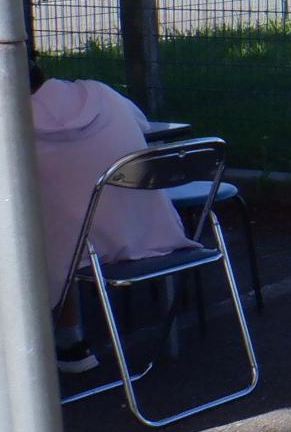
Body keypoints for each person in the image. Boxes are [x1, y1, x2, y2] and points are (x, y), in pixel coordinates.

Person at [29, 61, 192, 373]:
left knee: (44, 222)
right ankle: (68, 338)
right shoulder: (101, 93)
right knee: (63, 214)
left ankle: (65, 338)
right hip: (150, 230)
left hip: (73, 251)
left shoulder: (10, 125)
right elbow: (143, 125)